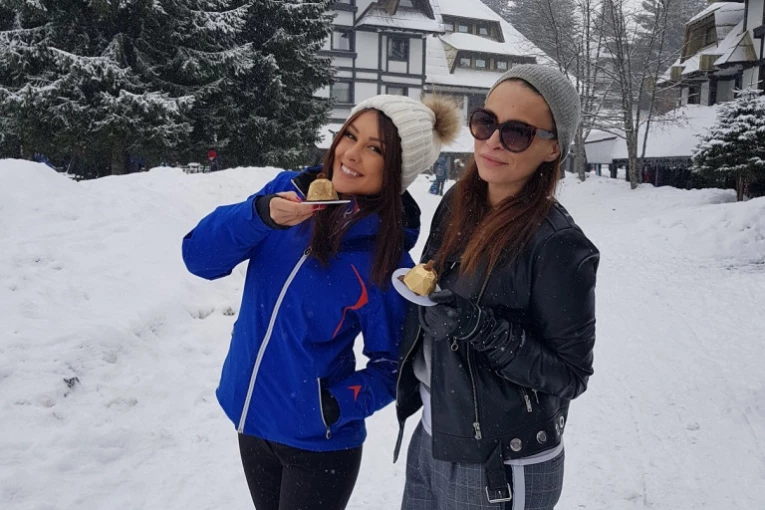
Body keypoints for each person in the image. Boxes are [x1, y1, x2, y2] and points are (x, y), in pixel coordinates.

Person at [182, 94, 460, 510]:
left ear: (396, 171)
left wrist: (330, 407)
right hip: (251, 424)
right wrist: (259, 215)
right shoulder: (284, 195)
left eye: (375, 148)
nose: (351, 153)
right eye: (350, 135)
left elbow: (392, 368)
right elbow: (199, 258)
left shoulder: (384, 262)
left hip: (318, 449)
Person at [395, 65, 600, 509]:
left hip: (502, 461)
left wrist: (481, 328)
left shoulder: (558, 244)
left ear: (552, 148)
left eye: (517, 133)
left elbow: (570, 375)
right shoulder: (457, 202)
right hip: (436, 430)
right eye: (486, 122)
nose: (492, 141)